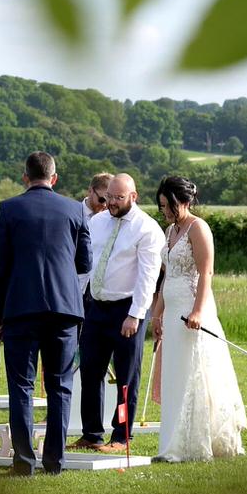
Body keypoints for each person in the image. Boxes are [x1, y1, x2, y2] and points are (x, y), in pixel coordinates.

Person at [0, 151, 92, 475]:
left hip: (20, 308)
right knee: (60, 386)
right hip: (64, 308)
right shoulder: (75, 209)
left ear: (25, 177)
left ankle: (24, 462)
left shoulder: (9, 208)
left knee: (22, 386)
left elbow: (1, 265)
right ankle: (55, 462)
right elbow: (85, 263)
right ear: (54, 177)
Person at [153, 175, 246, 462]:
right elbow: (166, 275)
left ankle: (195, 443)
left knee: (195, 373)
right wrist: (157, 313)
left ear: (184, 201)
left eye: (169, 206)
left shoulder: (198, 228)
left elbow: (206, 272)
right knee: (174, 376)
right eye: (162, 206)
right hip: (171, 311)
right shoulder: (170, 231)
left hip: (193, 311)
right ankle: (172, 445)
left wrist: (197, 311)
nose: (166, 212)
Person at [70, 173, 164, 454]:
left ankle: (122, 436)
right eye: (108, 197)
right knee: (90, 371)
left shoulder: (147, 229)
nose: (110, 202)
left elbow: (148, 278)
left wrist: (135, 315)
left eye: (118, 198)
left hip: (127, 309)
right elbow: (87, 266)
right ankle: (91, 434)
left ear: (133, 197)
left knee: (126, 377)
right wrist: (78, 303)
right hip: (95, 307)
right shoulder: (96, 222)